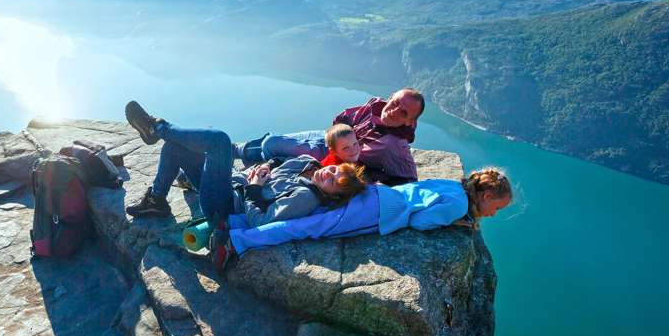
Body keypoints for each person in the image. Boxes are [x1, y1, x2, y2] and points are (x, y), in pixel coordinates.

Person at [122, 101, 369, 267]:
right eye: (335, 170)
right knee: (175, 148)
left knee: (219, 140)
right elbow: (276, 159)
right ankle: (156, 199)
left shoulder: (306, 197)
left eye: (334, 183)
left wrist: (253, 188)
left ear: (333, 195)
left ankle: (158, 126)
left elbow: (261, 221)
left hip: (225, 204)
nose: (330, 175)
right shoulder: (307, 163)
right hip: (226, 181)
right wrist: (267, 167)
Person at [226, 167, 513, 256]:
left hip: (376, 194)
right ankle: (239, 239)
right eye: (496, 207)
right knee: (305, 227)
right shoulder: (459, 206)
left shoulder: (454, 186)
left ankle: (235, 220)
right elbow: (420, 222)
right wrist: (453, 222)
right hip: (376, 214)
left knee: (312, 215)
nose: (493, 213)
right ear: (486, 195)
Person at [235, 88, 425, 186]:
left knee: (272, 143)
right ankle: (239, 151)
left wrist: (368, 175)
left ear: (410, 122)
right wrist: (339, 130)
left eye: (403, 113)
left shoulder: (395, 144)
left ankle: (242, 153)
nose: (393, 111)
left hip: (333, 153)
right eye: (396, 102)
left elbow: (408, 179)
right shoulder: (375, 105)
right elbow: (343, 117)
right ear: (391, 96)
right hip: (328, 136)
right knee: (274, 141)